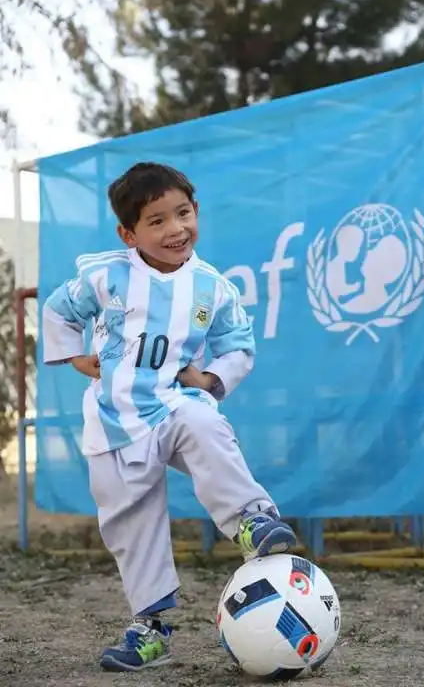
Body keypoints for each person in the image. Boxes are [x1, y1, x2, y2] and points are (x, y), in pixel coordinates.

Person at [42, 161, 296, 673]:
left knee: (205, 425)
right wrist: (74, 358)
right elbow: (57, 311)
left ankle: (251, 520)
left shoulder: (212, 287)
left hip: (174, 405)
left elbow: (238, 345)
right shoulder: (105, 275)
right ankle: (151, 629)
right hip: (114, 422)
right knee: (129, 524)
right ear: (128, 232)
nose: (175, 229)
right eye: (156, 221)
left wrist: (210, 380)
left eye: (182, 213)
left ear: (196, 211)